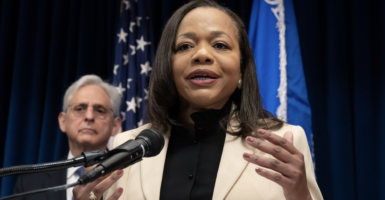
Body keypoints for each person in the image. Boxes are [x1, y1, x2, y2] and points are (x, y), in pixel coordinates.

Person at [73, 0, 323, 199]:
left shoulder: (284, 142)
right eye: (185, 46)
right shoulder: (127, 145)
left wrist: (300, 196)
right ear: (168, 67)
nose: (202, 54)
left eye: (220, 45)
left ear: (241, 69)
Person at [13, 75, 122, 200]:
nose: (89, 116)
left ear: (115, 125)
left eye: (100, 110)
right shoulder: (29, 185)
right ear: (63, 121)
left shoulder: (128, 178)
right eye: (80, 108)